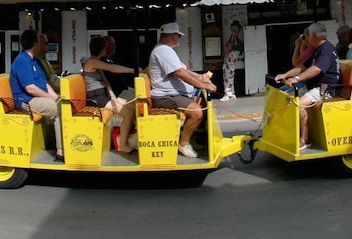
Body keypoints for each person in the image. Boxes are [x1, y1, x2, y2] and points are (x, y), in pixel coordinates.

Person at [148, 22, 216, 158]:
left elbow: (183, 70)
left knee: (202, 104)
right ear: (173, 36)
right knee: (197, 112)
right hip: (165, 97)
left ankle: (191, 137)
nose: (179, 39)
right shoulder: (163, 51)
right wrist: (203, 85)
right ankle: (184, 143)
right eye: (178, 36)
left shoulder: (164, 50)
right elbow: (180, 73)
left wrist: (200, 77)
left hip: (173, 94)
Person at [273, 22, 340, 149]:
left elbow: (316, 69)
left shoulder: (326, 50)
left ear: (314, 35)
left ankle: (304, 139)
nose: (307, 38)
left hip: (324, 89)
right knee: (286, 98)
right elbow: (302, 67)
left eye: (308, 35)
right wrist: (285, 75)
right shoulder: (317, 49)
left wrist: (296, 79)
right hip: (313, 87)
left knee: (299, 104)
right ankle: (291, 132)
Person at [9, 29, 64, 162]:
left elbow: (44, 84)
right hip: (25, 101)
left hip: (35, 98)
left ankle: (55, 141)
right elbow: (30, 88)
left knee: (64, 104)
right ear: (35, 44)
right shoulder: (22, 61)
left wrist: (57, 97)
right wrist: (53, 99)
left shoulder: (34, 61)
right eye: (40, 42)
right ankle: (61, 152)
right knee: (60, 109)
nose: (42, 44)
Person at [81, 36, 138, 153]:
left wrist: (113, 98)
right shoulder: (91, 62)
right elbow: (113, 68)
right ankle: (122, 145)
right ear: (102, 50)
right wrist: (135, 70)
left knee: (134, 108)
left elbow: (106, 82)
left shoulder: (97, 63)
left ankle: (126, 136)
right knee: (127, 113)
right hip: (96, 97)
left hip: (104, 95)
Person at [221, 20, 243, 101]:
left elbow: (227, 57)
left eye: (228, 45)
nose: (227, 46)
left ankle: (227, 95)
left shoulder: (232, 51)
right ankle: (232, 94)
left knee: (227, 81)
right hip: (231, 67)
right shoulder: (235, 52)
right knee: (231, 81)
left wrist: (227, 51)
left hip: (228, 66)